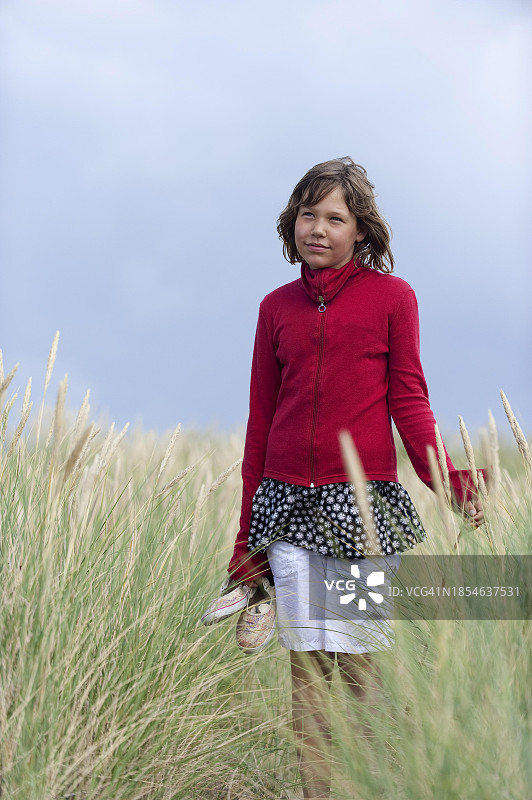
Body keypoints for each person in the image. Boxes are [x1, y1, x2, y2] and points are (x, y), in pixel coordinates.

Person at [227, 157, 484, 799]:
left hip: (357, 508)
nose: (318, 228)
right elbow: (260, 425)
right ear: (292, 223)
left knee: (358, 666)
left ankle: (369, 787)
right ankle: (316, 792)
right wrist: (245, 541)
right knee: (306, 670)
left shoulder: (393, 299)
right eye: (307, 215)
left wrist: (447, 481)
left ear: (361, 230)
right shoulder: (275, 308)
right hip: (285, 506)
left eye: (334, 218)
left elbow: (409, 400)